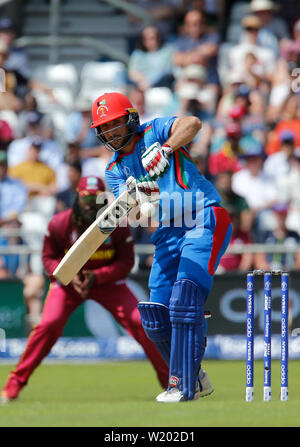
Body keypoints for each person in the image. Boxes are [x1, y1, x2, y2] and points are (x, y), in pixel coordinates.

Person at [90, 92, 232, 402]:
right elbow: (138, 216)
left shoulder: (154, 131)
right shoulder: (115, 170)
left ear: (131, 119)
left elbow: (193, 123)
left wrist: (165, 149)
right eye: (106, 130)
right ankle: (194, 377)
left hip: (202, 216)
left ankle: (181, 386)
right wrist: (136, 198)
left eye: (116, 125)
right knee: (154, 317)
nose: (113, 134)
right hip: (168, 232)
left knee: (185, 299)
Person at [1, 175, 169, 402]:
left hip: (107, 284)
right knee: (48, 325)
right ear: (77, 198)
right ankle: (14, 384)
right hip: (69, 285)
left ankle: (170, 382)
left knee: (141, 323)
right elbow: (48, 258)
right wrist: (68, 277)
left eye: (97, 199)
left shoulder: (117, 225)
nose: (91, 204)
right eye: (87, 198)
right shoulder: (60, 223)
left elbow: (126, 263)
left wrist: (98, 276)